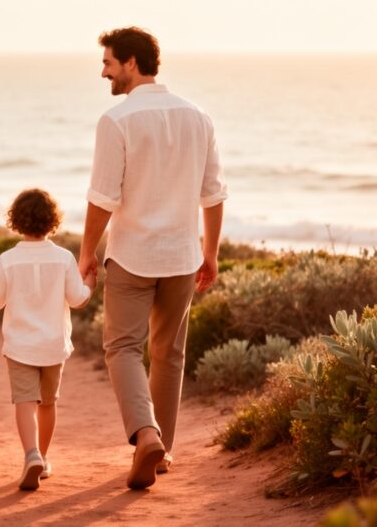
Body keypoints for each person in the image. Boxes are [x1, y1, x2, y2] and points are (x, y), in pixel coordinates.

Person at [78, 27, 228, 490]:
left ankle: (146, 435)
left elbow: (103, 197)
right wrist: (211, 252)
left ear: (132, 63)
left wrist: (86, 252)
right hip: (183, 255)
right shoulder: (198, 116)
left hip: (133, 255)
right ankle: (163, 454)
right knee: (169, 354)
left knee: (122, 347)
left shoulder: (117, 120)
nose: (103, 72)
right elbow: (214, 194)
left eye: (108, 63)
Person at [0, 189, 96, 491]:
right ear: (52, 222)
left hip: (20, 346)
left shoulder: (7, 260)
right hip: (53, 346)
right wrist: (90, 282)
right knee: (48, 403)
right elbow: (78, 299)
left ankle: (31, 455)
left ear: (15, 221)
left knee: (24, 402)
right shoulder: (64, 258)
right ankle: (43, 456)